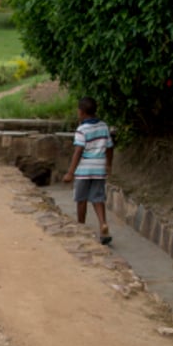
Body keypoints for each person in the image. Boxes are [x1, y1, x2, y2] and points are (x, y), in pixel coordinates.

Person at [62, 96, 115, 245]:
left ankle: (81, 227)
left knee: (81, 199)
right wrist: (108, 165)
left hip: (84, 169)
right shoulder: (104, 126)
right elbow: (110, 147)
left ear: (82, 112)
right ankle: (103, 224)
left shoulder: (82, 129)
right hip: (99, 168)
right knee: (98, 198)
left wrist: (70, 172)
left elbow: (78, 151)